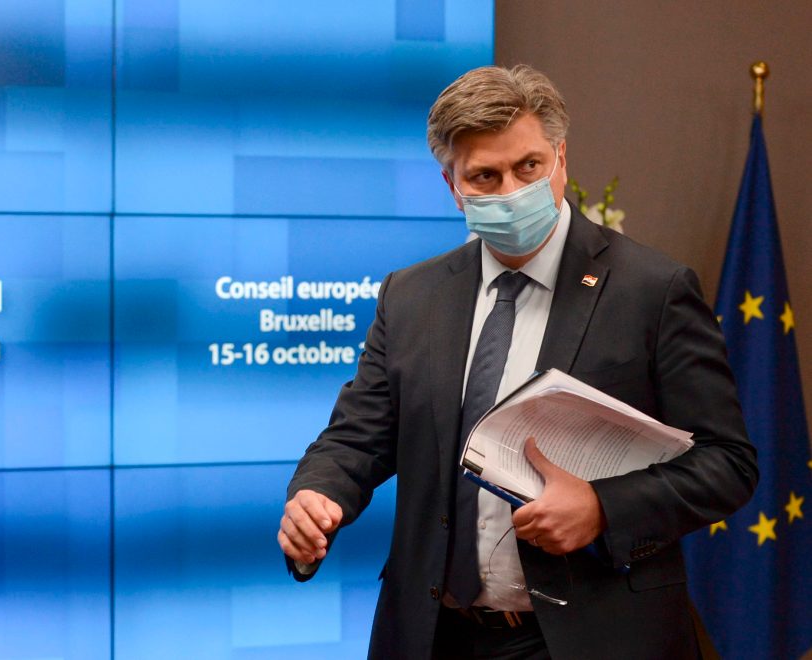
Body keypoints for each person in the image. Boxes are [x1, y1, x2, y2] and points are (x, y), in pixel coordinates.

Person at [277, 65, 758, 660]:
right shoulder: (411, 296)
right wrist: (318, 494)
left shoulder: (652, 290)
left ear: (561, 157)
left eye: (528, 166)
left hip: (591, 637)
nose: (510, 191)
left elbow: (728, 462)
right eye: (485, 175)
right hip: (434, 634)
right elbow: (357, 437)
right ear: (452, 185)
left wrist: (602, 509)